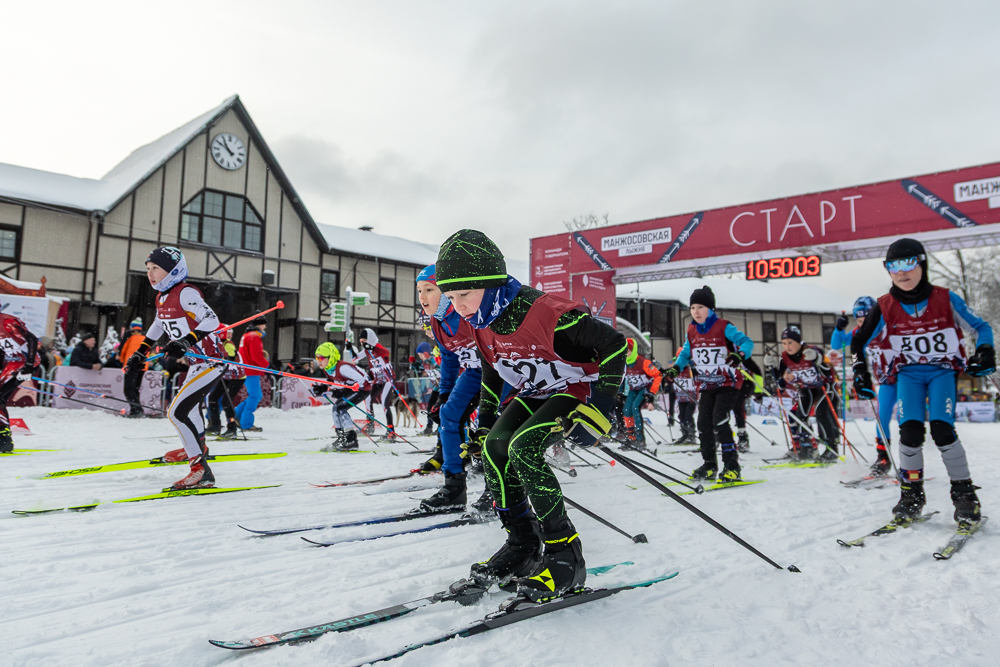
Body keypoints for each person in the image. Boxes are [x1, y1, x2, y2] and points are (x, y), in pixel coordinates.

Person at [437, 229, 627, 601]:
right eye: (451, 297)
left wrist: (601, 409)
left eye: (465, 294)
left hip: (577, 388)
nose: (458, 306)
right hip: (538, 391)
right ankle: (522, 545)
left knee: (523, 448)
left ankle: (564, 556)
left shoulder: (545, 312)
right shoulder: (482, 320)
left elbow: (614, 343)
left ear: (491, 284)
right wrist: (485, 423)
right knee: (494, 447)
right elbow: (492, 368)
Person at [852, 238, 994, 525]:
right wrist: (859, 370)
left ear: (922, 264)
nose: (902, 272)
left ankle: (965, 494)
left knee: (942, 430)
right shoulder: (885, 305)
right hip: (909, 374)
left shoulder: (945, 298)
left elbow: (981, 327)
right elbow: (859, 340)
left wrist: (985, 351)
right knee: (910, 433)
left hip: (942, 371)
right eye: (893, 266)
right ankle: (911, 494)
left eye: (908, 263)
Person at [126, 247, 225, 490]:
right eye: (148, 268)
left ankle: (200, 471)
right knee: (190, 411)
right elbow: (158, 325)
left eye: (156, 268)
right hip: (197, 363)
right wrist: (141, 351)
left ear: (173, 270)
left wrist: (186, 341)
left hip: (211, 361)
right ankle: (197, 448)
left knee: (176, 413)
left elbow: (212, 320)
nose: (150, 273)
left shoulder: (185, 293)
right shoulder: (162, 297)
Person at [664, 286, 753, 482]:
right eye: (693, 308)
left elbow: (747, 342)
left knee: (719, 419)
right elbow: (685, 354)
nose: (696, 312)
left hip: (728, 382)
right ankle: (709, 465)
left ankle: (732, 466)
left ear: (711, 309)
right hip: (706, 384)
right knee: (703, 423)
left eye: (701, 307)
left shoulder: (723, 326)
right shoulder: (692, 330)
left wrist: (739, 354)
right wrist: (675, 368)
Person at [414, 264, 484, 511]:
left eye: (429, 289)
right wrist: (444, 394)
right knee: (448, 415)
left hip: (500, 373)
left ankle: (498, 488)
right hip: (475, 373)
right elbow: (450, 359)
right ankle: (454, 487)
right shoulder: (437, 322)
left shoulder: (466, 315)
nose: (422, 297)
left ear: (445, 292)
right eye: (419, 290)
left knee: (491, 424)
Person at [831, 296, 896, 475]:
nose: (863, 325)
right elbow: (837, 345)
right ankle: (883, 458)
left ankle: (912, 461)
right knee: (881, 418)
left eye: (866, 321)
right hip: (886, 382)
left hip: (906, 378)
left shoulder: (889, 327)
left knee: (908, 419)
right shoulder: (859, 333)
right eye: (859, 321)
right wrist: (839, 329)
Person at [771, 325, 841, 461]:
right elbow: (782, 379)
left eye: (790, 342)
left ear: (798, 341)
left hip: (825, 386)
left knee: (821, 413)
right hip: (808, 387)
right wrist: (772, 368)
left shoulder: (811, 350)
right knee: (800, 416)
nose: (787, 346)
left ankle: (831, 448)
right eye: (784, 343)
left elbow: (828, 372)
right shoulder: (785, 356)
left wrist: (818, 359)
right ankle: (807, 448)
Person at [313, 341, 372, 451]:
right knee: (336, 408)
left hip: (363, 388)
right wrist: (322, 388)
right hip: (351, 388)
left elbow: (362, 380)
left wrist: (346, 388)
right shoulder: (328, 369)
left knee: (341, 408)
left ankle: (350, 439)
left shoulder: (342, 368)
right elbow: (331, 382)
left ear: (331, 357)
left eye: (321, 358)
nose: (318, 361)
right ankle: (341, 437)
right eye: (317, 358)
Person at [0, 312, 39, 453]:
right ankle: (3, 439)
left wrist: (29, 366)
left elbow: (32, 339)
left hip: (23, 363)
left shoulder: (6, 321)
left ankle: (4, 439)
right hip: (10, 364)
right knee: (1, 399)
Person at [621, 338, 662, 450]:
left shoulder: (643, 362)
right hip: (634, 389)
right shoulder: (624, 363)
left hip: (645, 388)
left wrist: (652, 392)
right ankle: (631, 437)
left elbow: (658, 375)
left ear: (633, 350)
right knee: (626, 410)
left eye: (628, 351)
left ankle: (640, 439)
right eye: (625, 351)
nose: (626, 354)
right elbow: (621, 378)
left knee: (635, 407)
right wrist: (619, 392)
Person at [359, 328, 397, 440]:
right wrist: (350, 349)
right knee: (368, 398)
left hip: (387, 379)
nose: (362, 343)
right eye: (361, 341)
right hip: (378, 380)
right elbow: (355, 358)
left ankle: (391, 431)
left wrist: (372, 347)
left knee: (384, 404)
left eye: (364, 341)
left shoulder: (376, 347)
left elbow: (386, 353)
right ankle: (370, 424)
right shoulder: (367, 350)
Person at [207, 330, 245, 439]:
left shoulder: (228, 344)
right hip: (226, 377)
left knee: (226, 401)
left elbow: (231, 357)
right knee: (212, 398)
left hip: (237, 377)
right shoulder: (215, 344)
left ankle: (232, 428)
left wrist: (221, 360)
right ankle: (215, 426)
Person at [235, 318, 267, 432]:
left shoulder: (246, 335)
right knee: (255, 396)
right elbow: (256, 356)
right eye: (264, 325)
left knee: (254, 395)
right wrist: (266, 364)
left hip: (246, 369)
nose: (265, 327)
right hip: (251, 370)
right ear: (259, 325)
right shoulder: (254, 336)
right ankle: (246, 423)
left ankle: (236, 415)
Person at [731, 356, 764, 452]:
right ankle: (719, 435)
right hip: (728, 384)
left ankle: (743, 438)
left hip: (745, 384)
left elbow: (757, 371)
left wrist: (758, 391)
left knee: (737, 406)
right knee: (721, 408)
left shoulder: (742, 356)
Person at [119, 319, 147, 418]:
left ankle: (136, 410)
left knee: (129, 388)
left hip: (131, 363)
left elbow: (123, 348)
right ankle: (136, 409)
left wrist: (122, 360)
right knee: (135, 388)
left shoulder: (128, 334)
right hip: (142, 364)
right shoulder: (145, 334)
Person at [669, 355, 699, 445]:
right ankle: (685, 434)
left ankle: (691, 435)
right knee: (681, 416)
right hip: (681, 398)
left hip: (691, 398)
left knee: (688, 416)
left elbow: (697, 378)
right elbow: (670, 379)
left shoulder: (691, 370)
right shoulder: (676, 371)